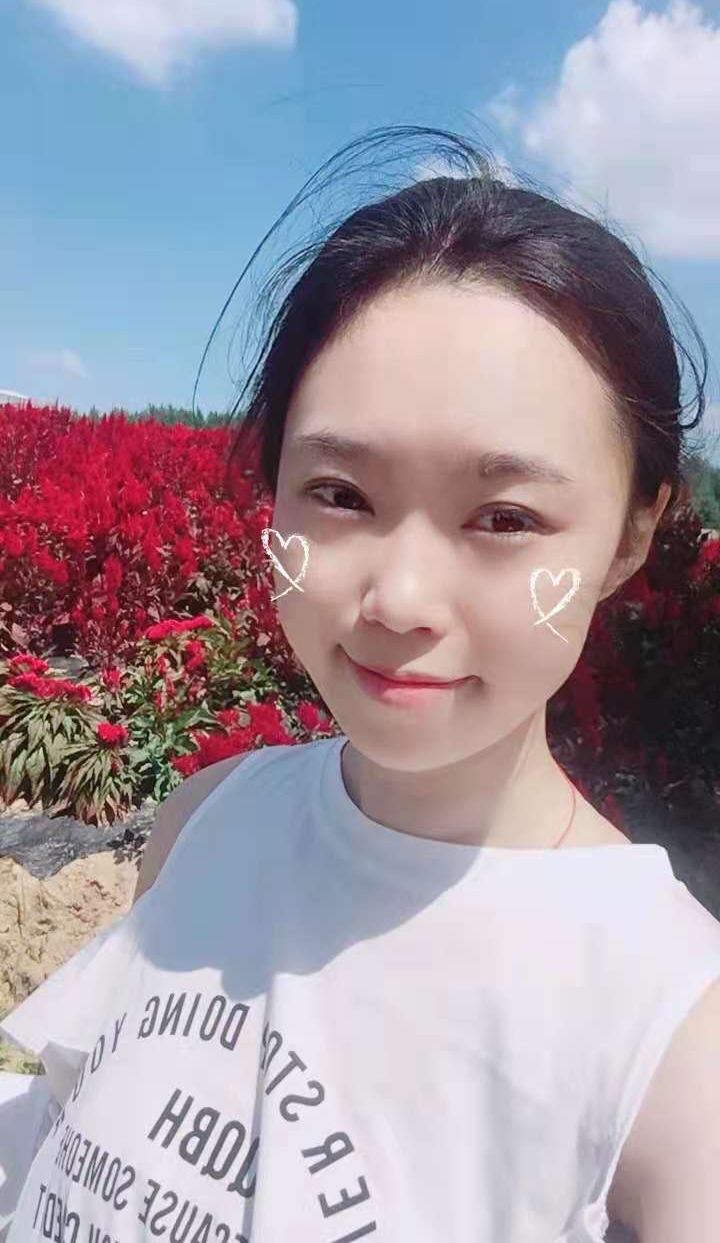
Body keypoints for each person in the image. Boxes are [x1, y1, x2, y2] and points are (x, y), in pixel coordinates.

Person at [2, 124, 720, 1243]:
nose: (400, 598)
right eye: (340, 494)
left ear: (633, 536)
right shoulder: (204, 819)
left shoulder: (671, 1037)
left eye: (505, 517)